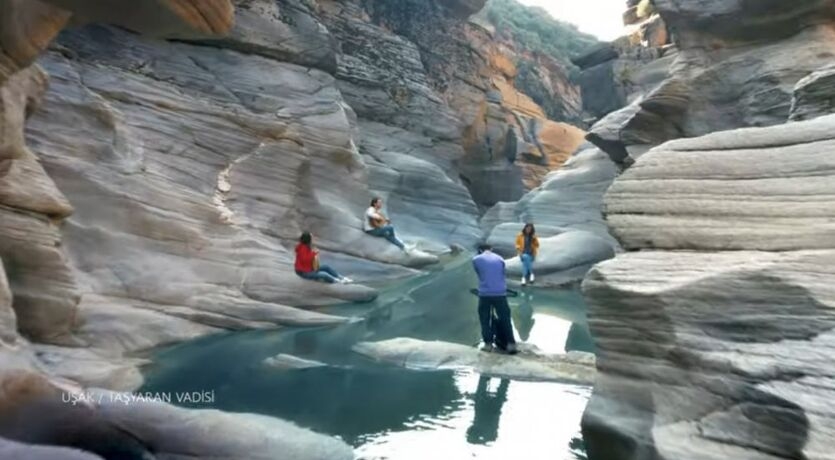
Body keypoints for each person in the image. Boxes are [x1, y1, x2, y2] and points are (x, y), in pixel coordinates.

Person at [472, 243, 517, 354]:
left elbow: (480, 274)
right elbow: (501, 273)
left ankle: (488, 345)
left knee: (485, 319)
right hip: (500, 293)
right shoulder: (500, 258)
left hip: (485, 294)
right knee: (505, 318)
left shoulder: (476, 259)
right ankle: (511, 344)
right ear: (491, 249)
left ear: (480, 250)